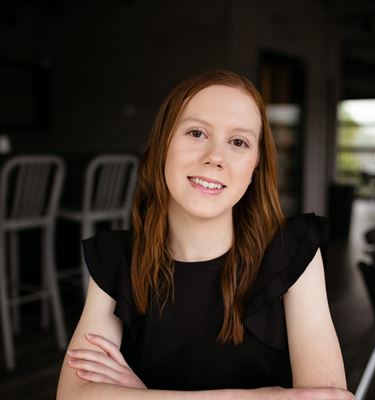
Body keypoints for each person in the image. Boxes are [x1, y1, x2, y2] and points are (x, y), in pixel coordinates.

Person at [56, 69, 354, 400]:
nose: (215, 157)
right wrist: (254, 398)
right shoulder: (115, 260)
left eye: (238, 142)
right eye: (197, 133)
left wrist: (145, 395)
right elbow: (72, 394)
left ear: (255, 166)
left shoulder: (292, 253)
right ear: (162, 145)